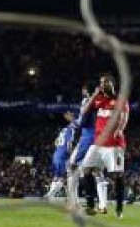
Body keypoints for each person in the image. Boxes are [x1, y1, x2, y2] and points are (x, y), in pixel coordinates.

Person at [72, 74, 130, 218]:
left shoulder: (120, 99)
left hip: (114, 144)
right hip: (97, 143)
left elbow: (124, 115)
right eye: (101, 82)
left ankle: (119, 207)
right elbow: (84, 111)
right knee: (86, 169)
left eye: (106, 82)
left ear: (113, 84)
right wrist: (94, 95)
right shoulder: (98, 99)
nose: (103, 85)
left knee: (117, 175)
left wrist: (120, 129)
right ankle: (91, 205)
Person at [67, 84, 99, 211]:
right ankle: (95, 202)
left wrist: (72, 120)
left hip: (88, 138)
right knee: (91, 172)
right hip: (96, 137)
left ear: (86, 91)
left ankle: (74, 202)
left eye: (83, 89)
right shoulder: (99, 101)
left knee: (72, 167)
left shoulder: (87, 101)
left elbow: (81, 123)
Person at [44, 111, 78, 201]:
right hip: (63, 155)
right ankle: (50, 195)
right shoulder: (71, 129)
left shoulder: (64, 129)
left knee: (58, 176)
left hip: (56, 154)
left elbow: (55, 142)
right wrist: (70, 155)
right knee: (65, 177)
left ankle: (66, 196)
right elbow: (69, 144)